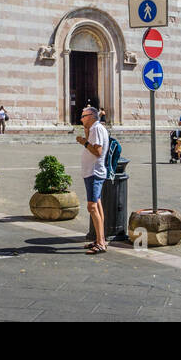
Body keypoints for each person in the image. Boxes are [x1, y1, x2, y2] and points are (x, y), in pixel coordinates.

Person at [76, 106, 109, 254]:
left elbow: (97, 151)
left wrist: (84, 142)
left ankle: (101, 243)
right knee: (98, 205)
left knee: (92, 207)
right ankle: (100, 239)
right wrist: (86, 133)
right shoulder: (94, 129)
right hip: (93, 172)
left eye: (83, 116)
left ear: (91, 116)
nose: (81, 118)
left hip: (94, 173)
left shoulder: (96, 129)